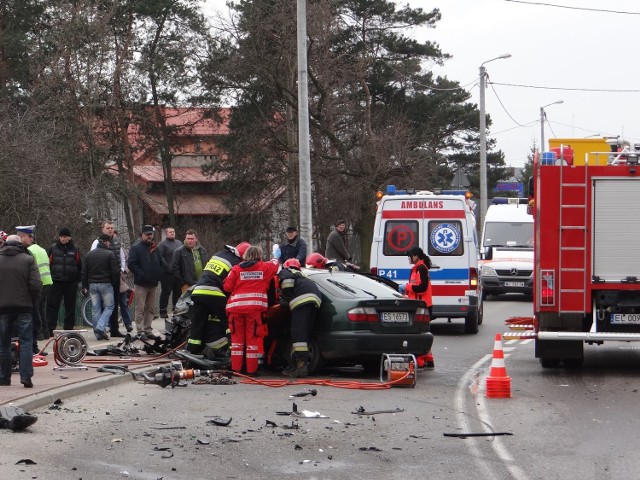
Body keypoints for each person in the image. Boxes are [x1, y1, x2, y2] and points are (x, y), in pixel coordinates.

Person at [186, 242, 250, 357]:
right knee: (229, 318)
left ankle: (192, 350)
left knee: (198, 322)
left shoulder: (219, 254)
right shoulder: (237, 263)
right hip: (214, 291)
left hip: (198, 291)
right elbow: (229, 285)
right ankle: (232, 349)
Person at [223, 246, 280, 375]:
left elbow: (227, 287)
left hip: (236, 309)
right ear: (259, 255)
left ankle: (236, 369)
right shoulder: (265, 268)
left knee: (237, 341)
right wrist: (276, 255)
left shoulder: (236, 269)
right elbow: (275, 264)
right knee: (252, 341)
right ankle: (251, 371)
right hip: (254, 310)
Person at [0, 235, 42, 388]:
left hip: (2, 308)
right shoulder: (28, 260)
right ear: (20, 244)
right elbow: (36, 284)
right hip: (24, 307)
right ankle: (26, 377)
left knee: (3, 343)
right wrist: (32, 301)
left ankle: (4, 377)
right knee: (25, 342)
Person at [278, 258, 321, 377]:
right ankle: (301, 365)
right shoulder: (303, 275)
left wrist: (284, 300)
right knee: (304, 334)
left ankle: (301, 367)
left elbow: (287, 283)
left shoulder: (287, 272)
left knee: (298, 335)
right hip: (314, 301)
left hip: (302, 301)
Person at [15, 225, 52, 354]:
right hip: (25, 293)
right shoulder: (22, 252)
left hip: (32, 291)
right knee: (29, 320)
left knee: (35, 319)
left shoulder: (28, 251)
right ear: (22, 237)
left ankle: (33, 346)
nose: (32, 239)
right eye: (29, 236)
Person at [127, 225, 164, 340]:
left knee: (150, 309)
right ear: (141, 235)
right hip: (141, 284)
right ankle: (140, 331)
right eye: (147, 234)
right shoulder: (136, 248)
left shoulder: (155, 248)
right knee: (140, 308)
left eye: (151, 234)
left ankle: (148, 330)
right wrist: (142, 275)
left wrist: (159, 274)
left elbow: (162, 262)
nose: (149, 236)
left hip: (153, 284)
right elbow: (131, 264)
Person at [91, 221, 126, 337]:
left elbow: (121, 257)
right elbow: (92, 258)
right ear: (103, 229)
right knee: (102, 305)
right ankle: (100, 329)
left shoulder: (117, 241)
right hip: (103, 278)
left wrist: (121, 269)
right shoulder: (97, 242)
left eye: (111, 228)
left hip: (115, 277)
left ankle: (114, 329)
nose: (110, 230)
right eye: (108, 228)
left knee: (115, 303)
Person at [401, 246, 434, 368]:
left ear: (416, 256)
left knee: (419, 334)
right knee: (423, 333)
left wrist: (408, 287)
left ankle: (420, 360)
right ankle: (429, 359)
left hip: (422, 306)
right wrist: (407, 295)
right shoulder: (416, 269)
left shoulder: (421, 268)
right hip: (419, 305)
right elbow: (417, 288)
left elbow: (422, 288)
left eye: (410, 256)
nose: (409, 259)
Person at [81, 234, 119, 340]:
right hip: (106, 284)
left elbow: (84, 272)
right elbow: (115, 272)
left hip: (92, 285)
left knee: (95, 309)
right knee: (109, 307)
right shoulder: (109, 254)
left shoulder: (89, 255)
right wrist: (113, 282)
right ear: (106, 242)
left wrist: (85, 286)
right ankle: (100, 327)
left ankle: (98, 334)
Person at [46, 227, 82, 334]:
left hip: (71, 282)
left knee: (70, 307)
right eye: (61, 236)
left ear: (69, 237)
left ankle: (68, 329)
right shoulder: (52, 248)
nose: (62, 238)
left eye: (65, 237)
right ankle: (50, 328)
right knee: (52, 305)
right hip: (56, 281)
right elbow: (48, 264)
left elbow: (79, 265)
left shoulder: (75, 249)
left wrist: (77, 280)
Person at [157, 227, 182, 319]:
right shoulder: (162, 244)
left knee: (178, 292)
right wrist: (167, 267)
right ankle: (163, 310)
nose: (172, 233)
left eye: (173, 231)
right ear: (166, 233)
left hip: (177, 272)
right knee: (166, 292)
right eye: (170, 232)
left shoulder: (179, 243)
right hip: (167, 273)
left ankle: (176, 308)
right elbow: (160, 257)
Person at [173, 229, 207, 294]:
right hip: (187, 285)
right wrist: (182, 284)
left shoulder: (202, 250)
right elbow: (175, 269)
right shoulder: (179, 251)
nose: (190, 241)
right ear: (185, 239)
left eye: (192, 239)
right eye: (188, 239)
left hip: (201, 284)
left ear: (196, 239)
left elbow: (207, 265)